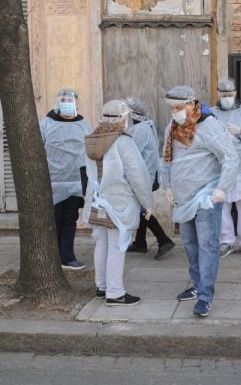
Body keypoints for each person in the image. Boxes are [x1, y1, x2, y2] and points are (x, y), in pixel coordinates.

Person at [161, 85, 240, 317]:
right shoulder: (172, 127)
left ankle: (205, 296)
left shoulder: (210, 126)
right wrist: (167, 185)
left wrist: (221, 189)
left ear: (191, 103)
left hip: (206, 196)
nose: (175, 111)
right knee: (189, 244)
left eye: (179, 107)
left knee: (207, 246)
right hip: (183, 197)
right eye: (171, 107)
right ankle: (197, 284)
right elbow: (167, 159)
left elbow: (230, 158)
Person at [83, 100, 155, 306]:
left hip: (96, 201)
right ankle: (115, 293)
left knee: (102, 243)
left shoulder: (91, 138)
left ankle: (101, 286)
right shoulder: (123, 142)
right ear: (122, 118)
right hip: (118, 203)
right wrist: (147, 202)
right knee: (117, 245)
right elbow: (137, 176)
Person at [39, 88, 92, 270]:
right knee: (54, 220)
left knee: (70, 219)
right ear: (57, 102)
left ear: (76, 103)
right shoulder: (47, 123)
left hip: (76, 181)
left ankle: (68, 256)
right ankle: (54, 257)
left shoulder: (84, 124)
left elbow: (91, 148)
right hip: (53, 181)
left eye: (70, 100)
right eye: (63, 100)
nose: (66, 103)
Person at [211, 78, 241, 258]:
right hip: (221, 165)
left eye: (230, 95)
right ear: (218, 94)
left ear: (236, 94)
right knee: (223, 205)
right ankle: (226, 242)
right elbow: (205, 135)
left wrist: (240, 131)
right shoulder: (212, 112)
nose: (227, 97)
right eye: (224, 95)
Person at [125, 96, 176, 260]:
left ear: (132, 114)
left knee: (142, 210)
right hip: (149, 174)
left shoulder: (139, 130)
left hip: (142, 176)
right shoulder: (148, 124)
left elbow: (131, 155)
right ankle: (140, 243)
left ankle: (163, 240)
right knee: (141, 206)